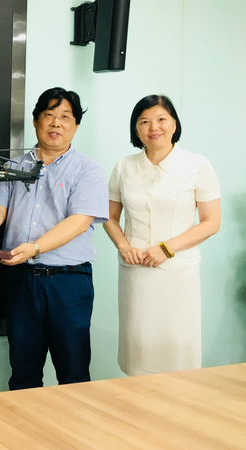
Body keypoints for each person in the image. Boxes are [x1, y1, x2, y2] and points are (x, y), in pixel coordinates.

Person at [0, 87, 109, 389]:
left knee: (74, 374)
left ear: (76, 125)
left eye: (65, 117)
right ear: (36, 121)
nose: (56, 123)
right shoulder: (13, 167)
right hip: (20, 280)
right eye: (49, 115)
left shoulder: (88, 169)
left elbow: (79, 222)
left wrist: (35, 247)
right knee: (24, 373)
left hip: (68, 282)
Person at [103, 95, 221, 376]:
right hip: (135, 272)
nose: (153, 127)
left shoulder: (197, 164)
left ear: (174, 124)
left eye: (161, 119)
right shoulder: (124, 166)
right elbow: (108, 216)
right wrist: (124, 246)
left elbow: (211, 222)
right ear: (136, 129)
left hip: (179, 273)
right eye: (144, 121)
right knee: (138, 351)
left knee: (178, 352)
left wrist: (167, 248)